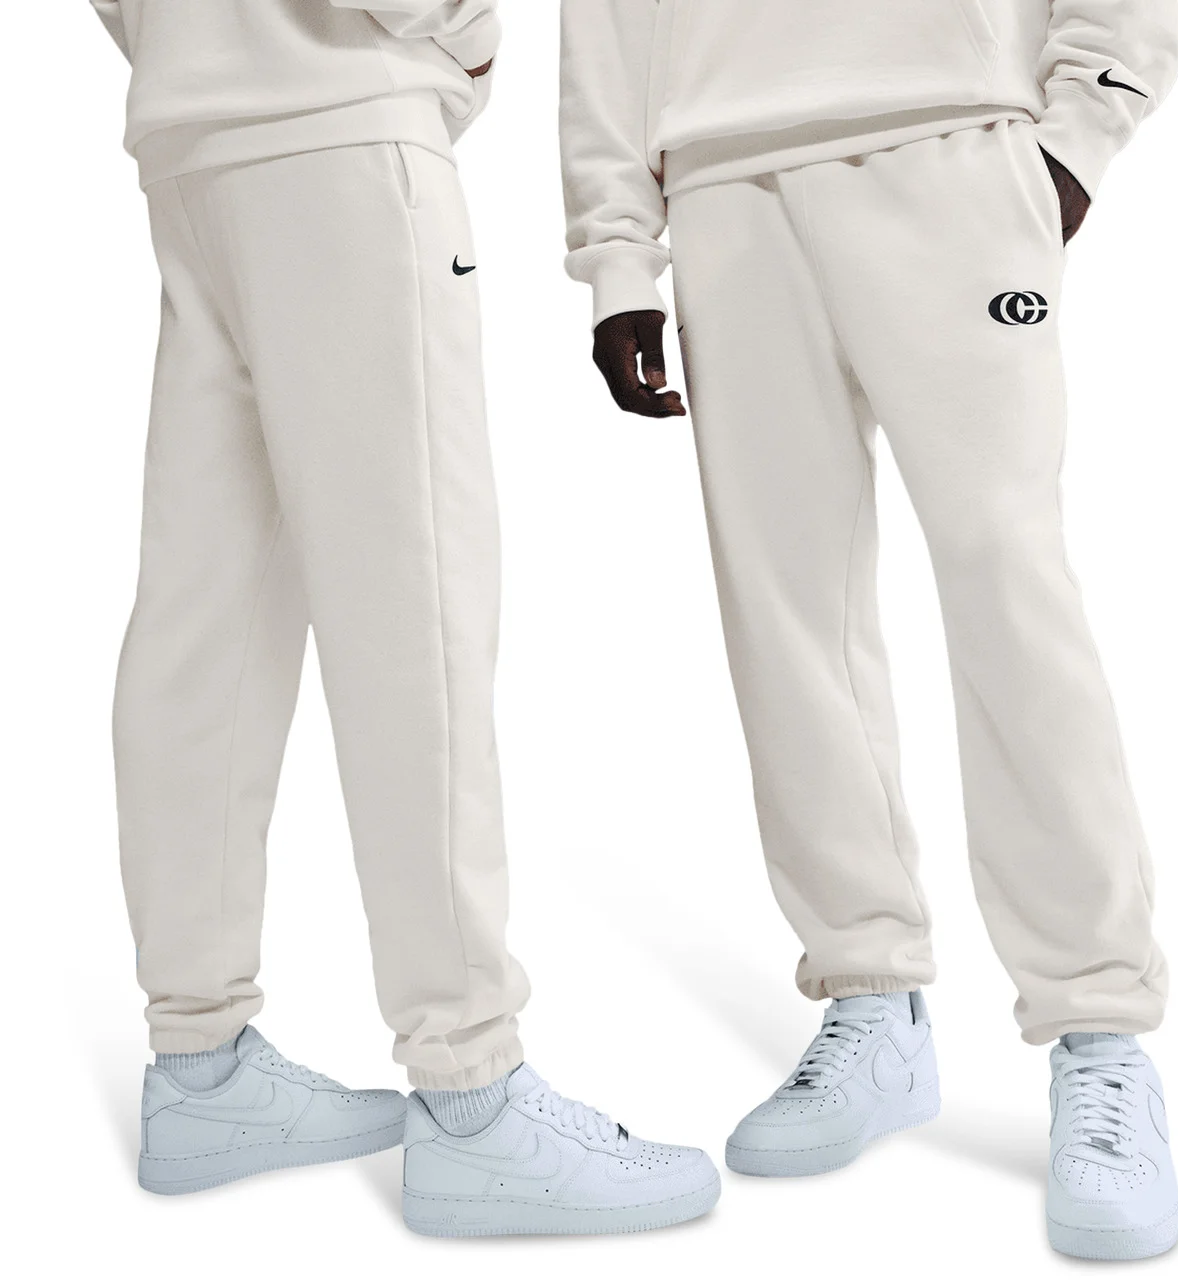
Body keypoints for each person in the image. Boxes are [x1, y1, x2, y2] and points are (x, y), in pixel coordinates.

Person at [560, 0, 1178, 1260]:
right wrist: (615, 246)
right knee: (784, 605)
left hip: (948, 141)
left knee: (1006, 581)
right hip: (721, 175)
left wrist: (1079, 130)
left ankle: (1098, 1028)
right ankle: (869, 993)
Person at [91, 0, 718, 1236]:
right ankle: (469, 1087)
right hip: (344, 133)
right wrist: (457, 33)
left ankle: (198, 1060)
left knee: (204, 618)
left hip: (190, 143)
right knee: (412, 611)